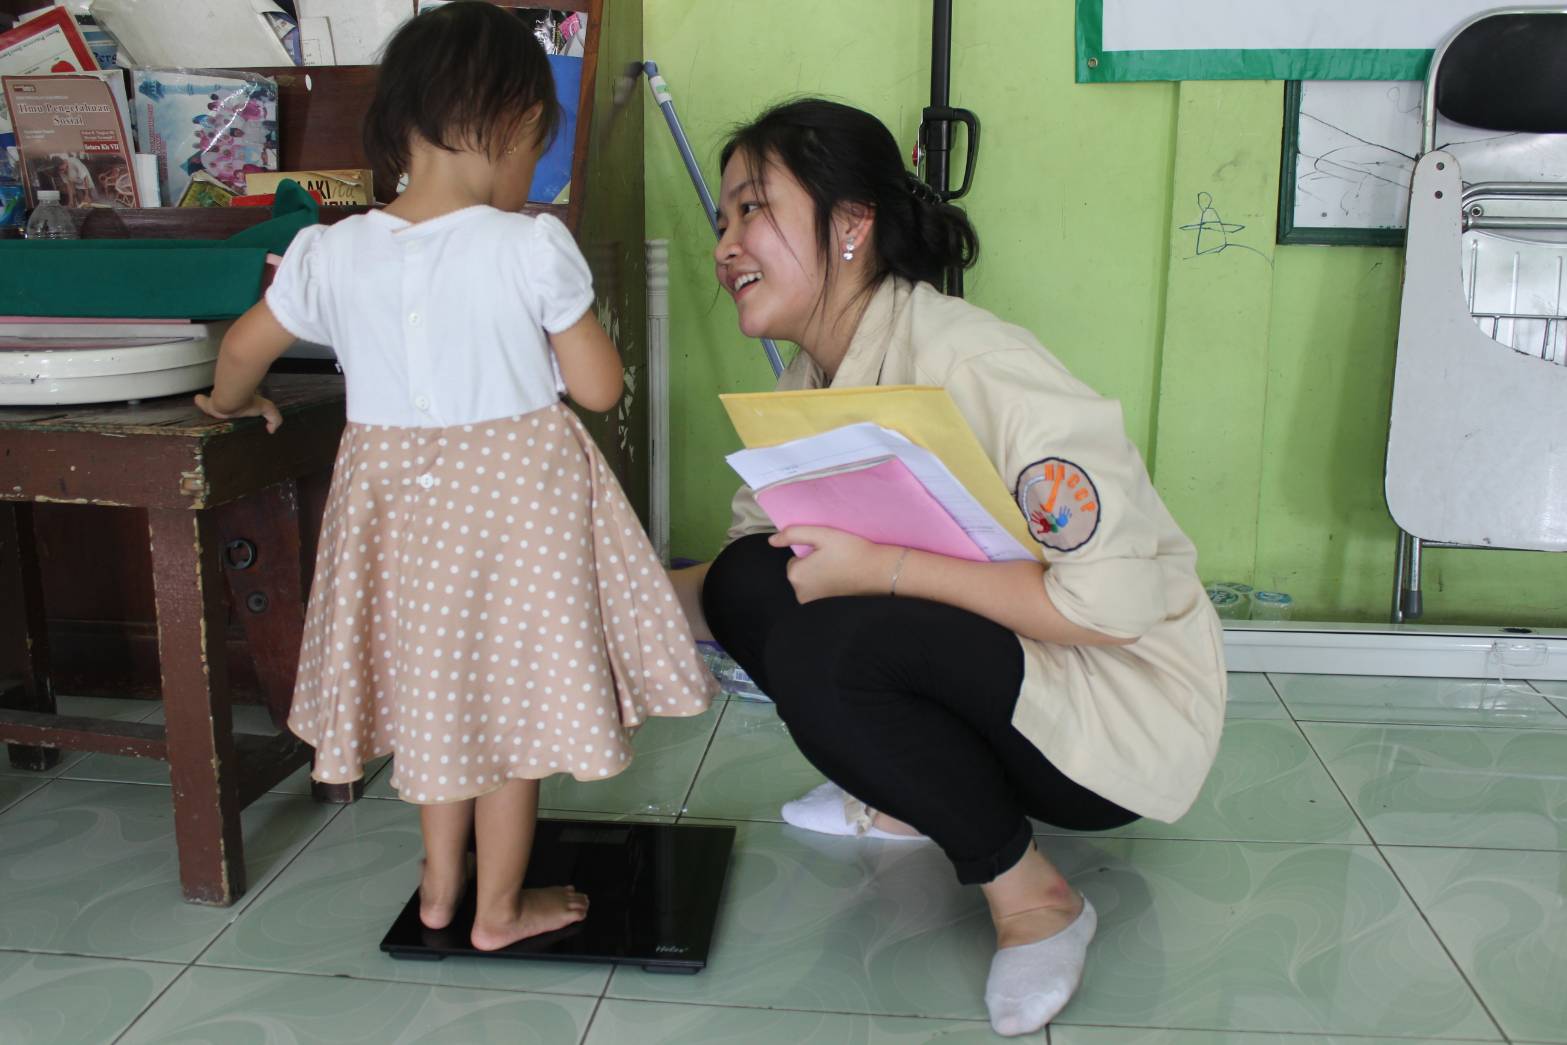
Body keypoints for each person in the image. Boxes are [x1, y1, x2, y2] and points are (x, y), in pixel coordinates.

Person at [670, 99, 1226, 1037]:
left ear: (851, 224)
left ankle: (1036, 899)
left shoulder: (972, 363)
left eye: (753, 209)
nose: (725, 246)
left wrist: (883, 565)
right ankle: (904, 802)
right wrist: (593, 591)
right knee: (746, 581)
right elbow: (742, 576)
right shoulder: (811, 375)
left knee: (828, 645)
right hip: (1007, 667)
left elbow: (1106, 610)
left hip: (1112, 713)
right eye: (721, 219)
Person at [193, 1, 716, 951]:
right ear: (515, 124)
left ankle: (440, 886)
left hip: (393, 507)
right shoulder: (529, 245)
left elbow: (241, 350)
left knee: (439, 697)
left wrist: (232, 404)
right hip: (515, 506)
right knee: (507, 705)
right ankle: (500, 908)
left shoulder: (329, 250)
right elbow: (599, 388)